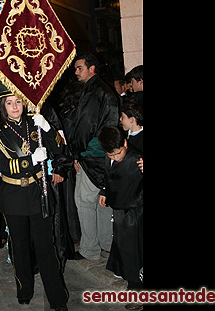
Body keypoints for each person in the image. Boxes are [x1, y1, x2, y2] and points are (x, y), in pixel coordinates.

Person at [0, 90, 69, 311]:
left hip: (37, 192)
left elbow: (60, 148)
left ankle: (57, 297)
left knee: (46, 248)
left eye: (18, 102)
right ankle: (25, 288)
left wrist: (48, 128)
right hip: (14, 196)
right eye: (9, 103)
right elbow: (4, 165)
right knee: (20, 246)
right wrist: (31, 160)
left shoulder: (35, 124)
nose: (15, 106)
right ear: (2, 106)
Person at [67, 53, 120, 261]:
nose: (76, 73)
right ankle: (106, 243)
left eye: (79, 68)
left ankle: (90, 250)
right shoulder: (103, 89)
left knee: (84, 201)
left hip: (92, 152)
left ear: (92, 68)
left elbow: (86, 126)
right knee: (101, 201)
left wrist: (76, 153)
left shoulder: (94, 91)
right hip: (104, 151)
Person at [97, 126, 143, 310]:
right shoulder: (108, 157)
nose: (115, 158)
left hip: (136, 212)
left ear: (125, 143)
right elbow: (108, 176)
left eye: (118, 153)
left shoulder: (137, 158)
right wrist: (104, 191)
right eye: (111, 155)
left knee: (135, 255)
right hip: (120, 210)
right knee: (124, 251)